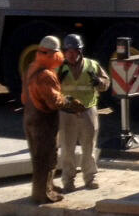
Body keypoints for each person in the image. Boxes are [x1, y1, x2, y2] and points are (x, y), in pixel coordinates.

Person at [23, 35, 82, 204]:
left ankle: (47, 186)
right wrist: (71, 103)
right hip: (42, 120)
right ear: (53, 54)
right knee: (45, 157)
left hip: (30, 116)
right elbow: (54, 101)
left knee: (39, 156)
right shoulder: (46, 75)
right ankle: (42, 193)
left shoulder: (30, 68)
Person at [56, 33, 110, 192]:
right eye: (68, 52)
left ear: (80, 51)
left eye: (74, 51)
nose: (71, 55)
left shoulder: (92, 65)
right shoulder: (59, 68)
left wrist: (99, 82)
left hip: (87, 111)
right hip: (66, 113)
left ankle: (90, 178)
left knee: (89, 147)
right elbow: (50, 89)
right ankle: (68, 181)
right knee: (67, 149)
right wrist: (56, 80)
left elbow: (106, 84)